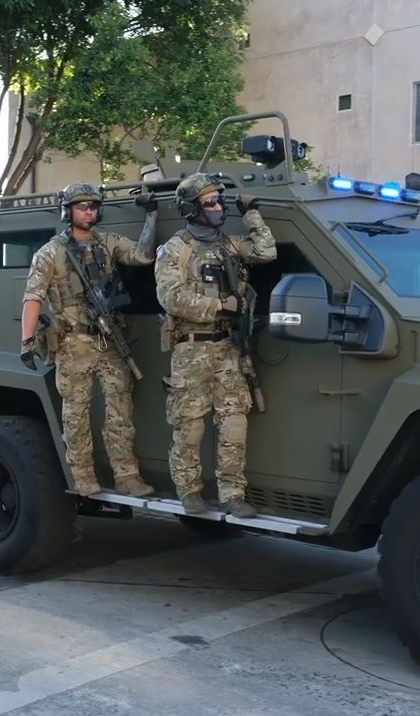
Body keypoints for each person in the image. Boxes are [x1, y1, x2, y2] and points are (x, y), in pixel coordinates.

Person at [19, 181, 159, 497]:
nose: (89, 211)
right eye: (82, 206)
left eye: (94, 206)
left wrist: (151, 216)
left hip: (110, 341)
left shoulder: (107, 243)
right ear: (67, 211)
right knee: (76, 414)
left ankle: (127, 476)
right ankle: (83, 478)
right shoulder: (51, 253)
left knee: (121, 410)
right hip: (74, 344)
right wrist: (27, 341)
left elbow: (142, 256)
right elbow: (33, 297)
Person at [153, 173, 276, 517]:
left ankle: (232, 494)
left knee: (234, 423)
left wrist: (250, 213)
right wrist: (220, 305)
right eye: (210, 203)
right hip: (192, 349)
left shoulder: (228, 244)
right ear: (191, 208)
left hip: (230, 348)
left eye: (219, 201)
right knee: (189, 425)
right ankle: (189, 491)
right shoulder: (177, 248)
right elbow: (170, 297)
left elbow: (266, 251)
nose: (218, 208)